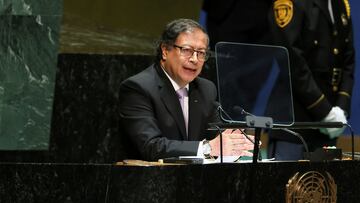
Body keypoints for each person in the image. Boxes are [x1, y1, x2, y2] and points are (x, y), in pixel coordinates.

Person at [119, 19, 254, 161]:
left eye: (201, 53)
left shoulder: (206, 89)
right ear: (165, 51)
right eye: (187, 50)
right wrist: (208, 147)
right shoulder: (138, 88)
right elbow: (151, 146)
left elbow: (217, 137)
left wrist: (234, 141)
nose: (195, 59)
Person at [268, 0, 355, 160]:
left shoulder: (341, 4)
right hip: (295, 123)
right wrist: (324, 111)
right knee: (285, 183)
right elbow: (290, 59)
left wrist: (340, 111)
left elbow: (348, 61)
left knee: (324, 184)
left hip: (327, 127)